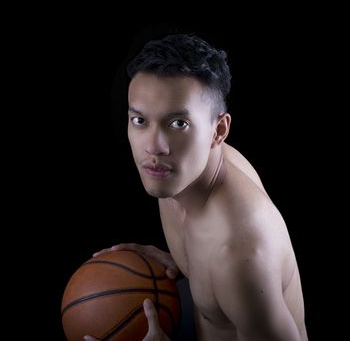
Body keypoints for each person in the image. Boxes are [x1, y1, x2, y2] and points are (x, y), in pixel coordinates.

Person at [84, 34, 308, 341]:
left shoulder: (239, 253)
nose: (154, 146)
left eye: (178, 124)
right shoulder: (178, 170)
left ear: (218, 130)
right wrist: (186, 265)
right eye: (139, 120)